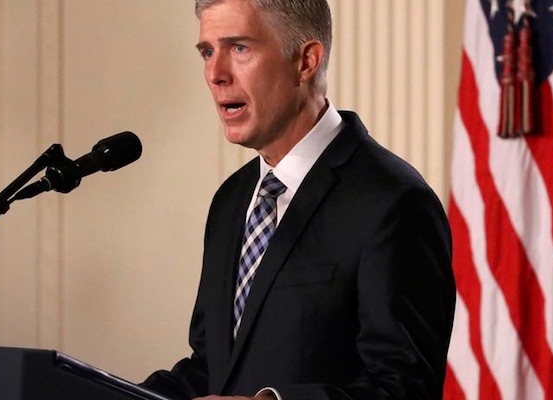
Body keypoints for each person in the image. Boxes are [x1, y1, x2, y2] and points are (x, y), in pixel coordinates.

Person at [141, 0, 455, 399]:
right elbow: (212, 368)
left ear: (305, 61)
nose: (215, 74)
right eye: (207, 51)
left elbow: (405, 388)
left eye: (239, 48)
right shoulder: (231, 200)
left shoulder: (394, 203)